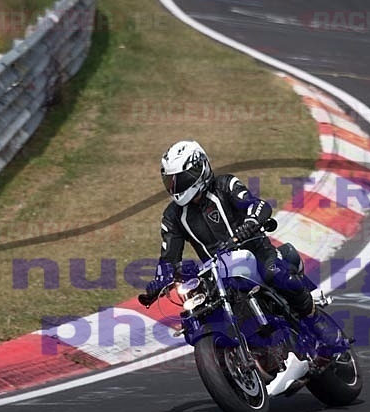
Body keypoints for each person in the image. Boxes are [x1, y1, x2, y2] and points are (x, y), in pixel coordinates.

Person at [140, 139, 340, 350]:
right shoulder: (172, 216)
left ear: (199, 169)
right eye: (170, 181)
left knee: (276, 274)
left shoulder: (225, 185)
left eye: (180, 179)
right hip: (217, 271)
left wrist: (250, 224)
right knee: (198, 313)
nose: (175, 187)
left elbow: (258, 206)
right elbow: (168, 256)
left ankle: (314, 319)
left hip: (254, 249)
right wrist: (160, 280)